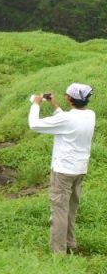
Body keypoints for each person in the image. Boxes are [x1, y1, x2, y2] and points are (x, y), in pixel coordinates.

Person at [28, 83, 96, 254]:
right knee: (71, 209)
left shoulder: (67, 119)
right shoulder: (90, 114)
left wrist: (36, 103)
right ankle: (71, 244)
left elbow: (34, 125)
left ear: (69, 98)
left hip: (63, 171)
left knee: (58, 211)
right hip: (80, 169)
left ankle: (58, 253)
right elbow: (67, 120)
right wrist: (54, 105)